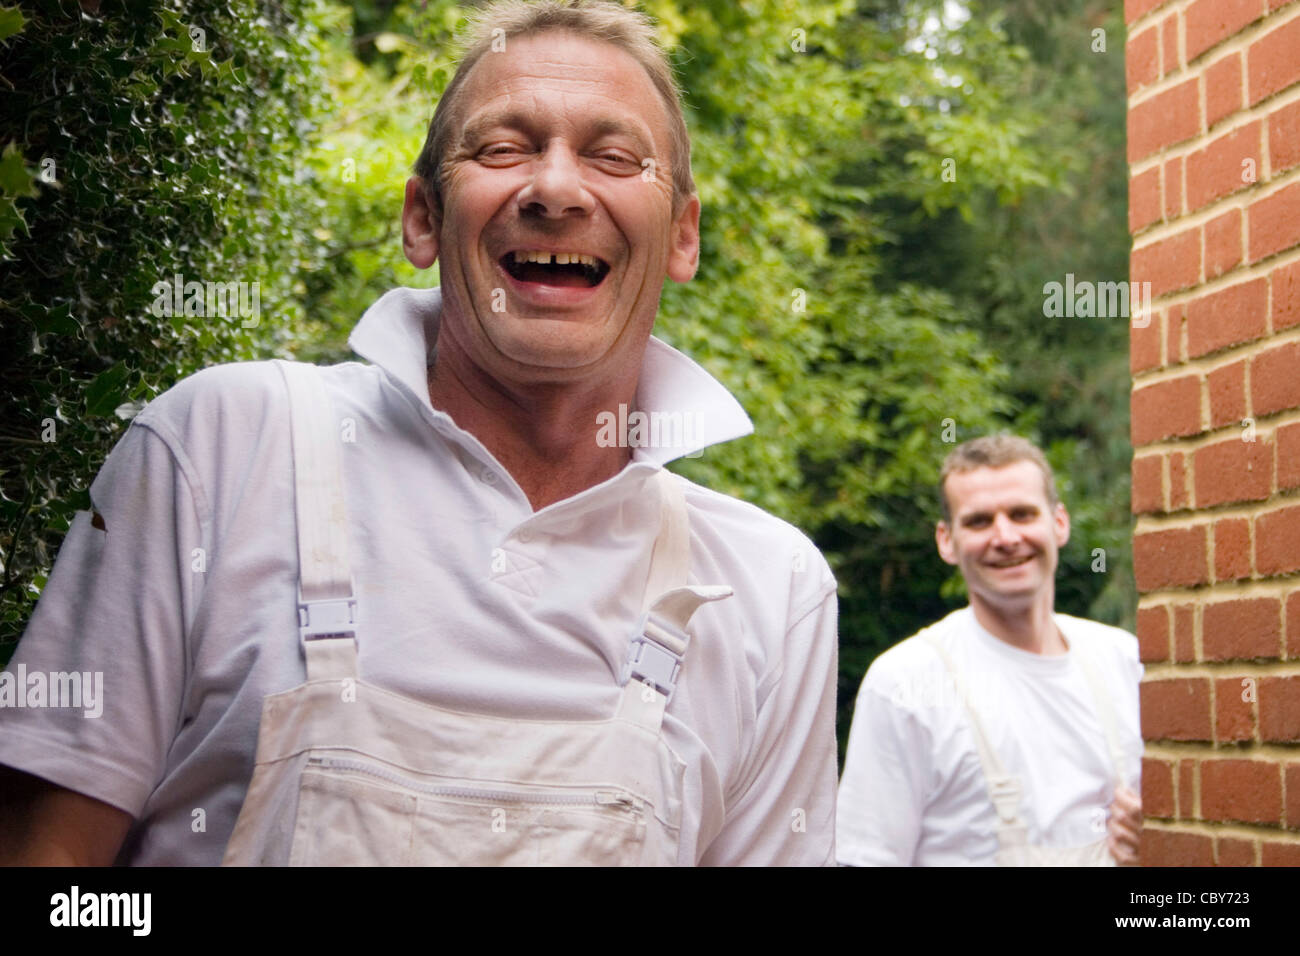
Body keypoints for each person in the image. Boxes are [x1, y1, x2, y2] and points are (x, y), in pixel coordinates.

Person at [0, 0, 838, 866]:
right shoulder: (222, 447)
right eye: (503, 147)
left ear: (684, 236)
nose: (555, 189)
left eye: (614, 156)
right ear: (422, 219)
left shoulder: (770, 591)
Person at [836, 434, 1143, 866]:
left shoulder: (1124, 661)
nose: (1005, 537)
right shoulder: (904, 683)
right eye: (979, 521)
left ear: (1059, 523)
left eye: (1022, 514)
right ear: (946, 541)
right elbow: (868, 857)